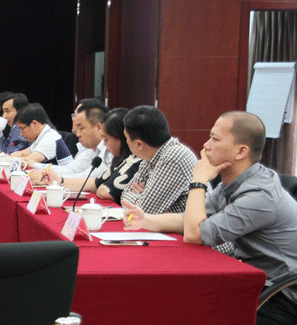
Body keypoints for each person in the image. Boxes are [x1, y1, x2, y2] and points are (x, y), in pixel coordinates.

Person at [123, 111, 297, 324]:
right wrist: (147, 220)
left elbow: (194, 234)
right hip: (253, 280)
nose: (206, 145)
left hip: (280, 296)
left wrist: (199, 180)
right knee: (177, 299)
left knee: (189, 310)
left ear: (241, 151)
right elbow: (190, 220)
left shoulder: (260, 196)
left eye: (215, 139)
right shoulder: (232, 184)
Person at [40, 108, 141, 202]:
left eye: (106, 139)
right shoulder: (117, 158)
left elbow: (104, 191)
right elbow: (95, 183)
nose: (104, 144)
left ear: (121, 138)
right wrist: (59, 180)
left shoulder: (136, 161)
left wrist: (59, 180)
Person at [120, 105, 196, 214]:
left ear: (139, 144)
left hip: (188, 224)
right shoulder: (151, 155)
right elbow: (124, 195)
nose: (126, 142)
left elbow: (144, 211)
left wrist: (142, 199)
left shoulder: (173, 157)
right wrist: (141, 199)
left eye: (126, 138)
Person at [28, 100, 110, 182]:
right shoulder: (91, 147)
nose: (78, 134)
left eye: (81, 128)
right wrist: (49, 175)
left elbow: (89, 179)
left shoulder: (109, 150)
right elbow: (73, 170)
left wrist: (55, 179)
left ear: (99, 127)